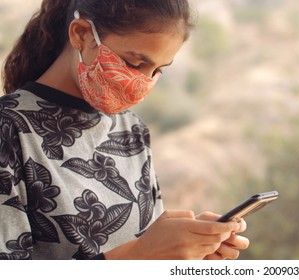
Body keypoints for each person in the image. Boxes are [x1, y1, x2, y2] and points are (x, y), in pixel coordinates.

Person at [0, 0, 249, 260]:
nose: (142, 83)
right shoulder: (10, 127)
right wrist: (138, 257)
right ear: (81, 34)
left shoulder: (132, 131)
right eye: (133, 63)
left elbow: (147, 252)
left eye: (157, 71)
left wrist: (185, 253)